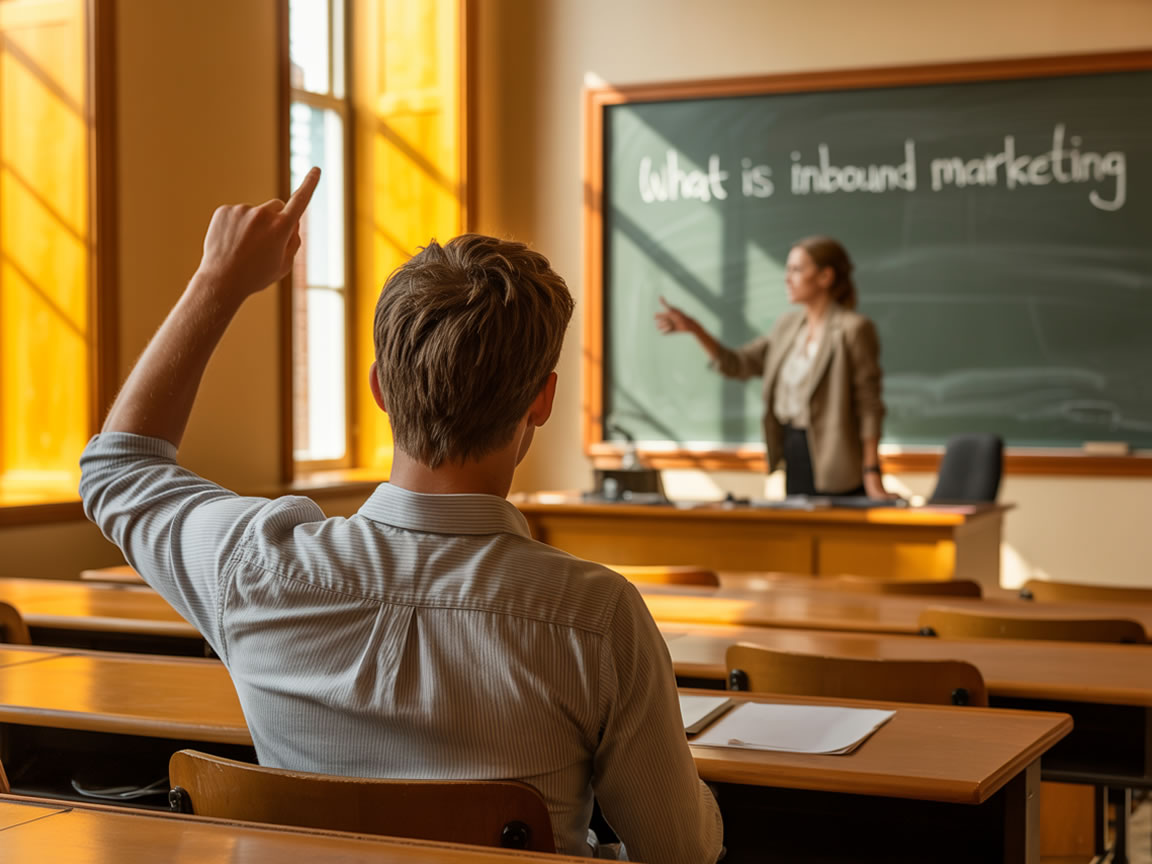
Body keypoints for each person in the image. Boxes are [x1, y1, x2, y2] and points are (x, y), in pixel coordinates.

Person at [79, 169, 722, 862]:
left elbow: (119, 469)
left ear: (381, 389)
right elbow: (680, 852)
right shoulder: (598, 619)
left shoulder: (252, 565)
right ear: (542, 400)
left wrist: (218, 280)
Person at [655, 235, 888, 498]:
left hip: (838, 460)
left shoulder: (853, 329)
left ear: (825, 277)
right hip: (793, 450)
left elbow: (870, 405)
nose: (786, 278)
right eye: (787, 269)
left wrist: (872, 472)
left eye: (797, 270)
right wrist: (695, 329)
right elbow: (737, 364)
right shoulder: (786, 327)